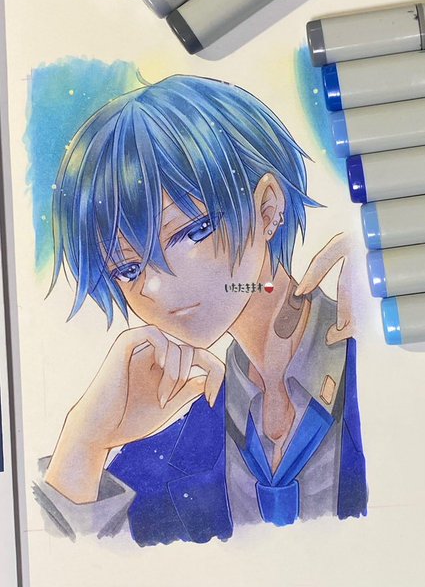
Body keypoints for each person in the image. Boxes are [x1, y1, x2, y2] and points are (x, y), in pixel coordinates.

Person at [34, 74, 367, 545]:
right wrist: (85, 441)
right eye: (126, 268)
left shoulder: (369, 347)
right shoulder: (175, 440)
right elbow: (73, 561)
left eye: (190, 232)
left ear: (267, 208)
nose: (153, 286)